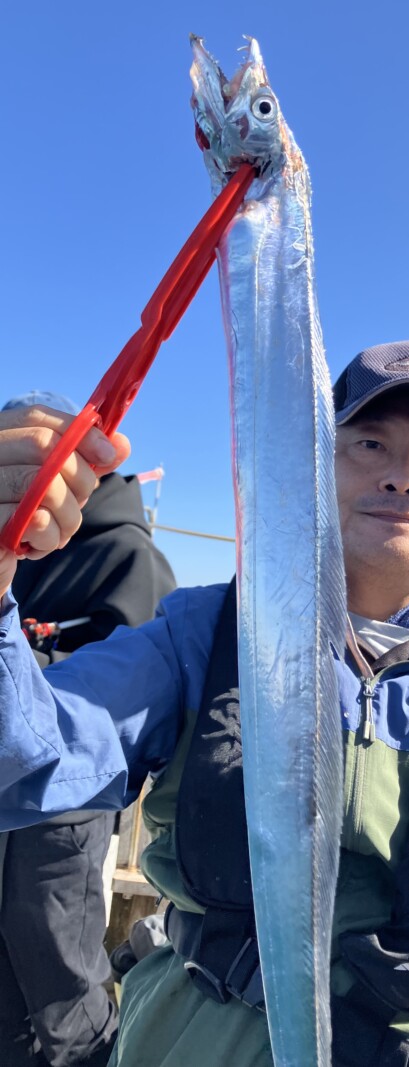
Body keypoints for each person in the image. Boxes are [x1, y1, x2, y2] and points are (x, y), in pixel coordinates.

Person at [0, 342, 409, 1067]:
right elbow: (26, 757)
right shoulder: (203, 637)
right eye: (370, 443)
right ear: (318, 464)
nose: (402, 478)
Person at [0, 391, 177, 1067]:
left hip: (63, 821)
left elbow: (133, 705)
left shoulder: (131, 557)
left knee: (61, 983)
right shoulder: (17, 538)